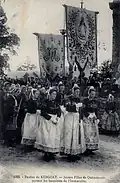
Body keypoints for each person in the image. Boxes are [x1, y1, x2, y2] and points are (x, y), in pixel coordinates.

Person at [35, 87, 62, 161]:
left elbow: (59, 111)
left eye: (55, 94)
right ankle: (46, 153)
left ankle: (52, 152)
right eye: (53, 94)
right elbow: (43, 112)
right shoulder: (45, 102)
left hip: (54, 121)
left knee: (53, 137)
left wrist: (58, 118)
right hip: (47, 121)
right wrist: (50, 118)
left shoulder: (56, 102)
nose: (54, 96)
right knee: (47, 137)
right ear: (49, 94)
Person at [61, 84, 85, 161]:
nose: (77, 93)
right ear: (73, 91)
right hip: (70, 117)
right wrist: (76, 106)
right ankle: (69, 153)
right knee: (69, 134)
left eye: (78, 92)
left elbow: (81, 110)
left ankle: (75, 152)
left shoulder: (80, 99)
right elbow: (68, 108)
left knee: (76, 135)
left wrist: (81, 118)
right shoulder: (69, 98)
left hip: (77, 118)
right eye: (76, 91)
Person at [82, 86, 100, 155]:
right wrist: (88, 115)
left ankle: (92, 148)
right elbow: (83, 110)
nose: (93, 95)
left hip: (93, 118)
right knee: (87, 132)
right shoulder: (85, 101)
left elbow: (96, 110)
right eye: (92, 94)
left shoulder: (95, 101)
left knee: (93, 133)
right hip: (87, 118)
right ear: (89, 93)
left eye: (94, 94)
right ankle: (86, 148)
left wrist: (97, 117)